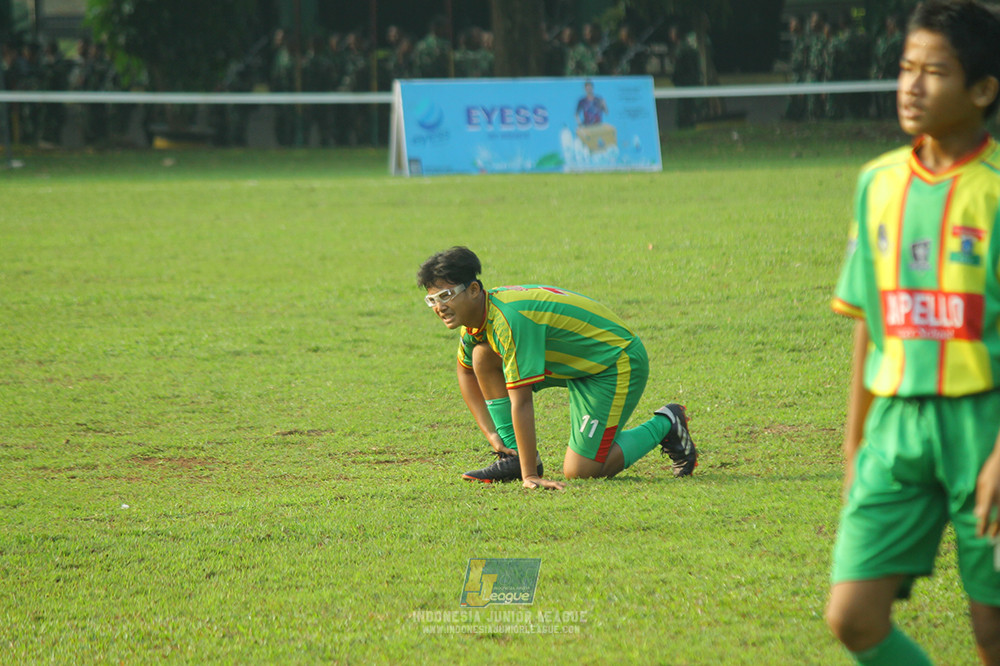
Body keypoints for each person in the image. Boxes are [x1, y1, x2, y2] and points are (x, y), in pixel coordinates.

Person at [825, 1, 1000, 663]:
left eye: (935, 71)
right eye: (906, 67)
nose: (912, 85)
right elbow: (869, 325)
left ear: (982, 90)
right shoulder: (877, 183)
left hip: (984, 427)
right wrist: (852, 452)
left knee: (992, 633)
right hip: (895, 430)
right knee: (853, 616)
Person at [417, 247, 697, 489]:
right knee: (482, 356)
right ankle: (514, 456)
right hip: (575, 365)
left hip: (613, 362)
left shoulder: (509, 320)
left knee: (581, 471)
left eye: (446, 295)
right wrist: (492, 435)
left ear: (474, 289)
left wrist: (530, 476)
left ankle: (666, 423)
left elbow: (521, 400)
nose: (439, 306)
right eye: (433, 300)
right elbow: (466, 370)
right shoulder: (476, 321)